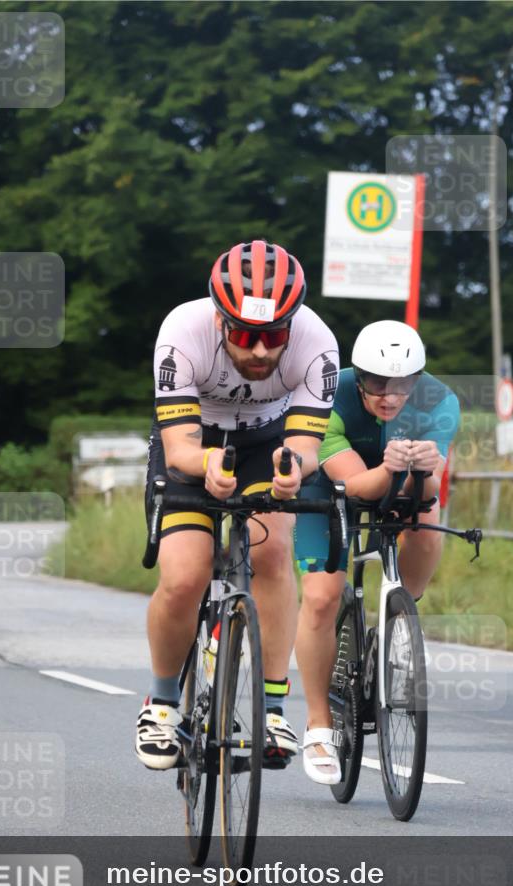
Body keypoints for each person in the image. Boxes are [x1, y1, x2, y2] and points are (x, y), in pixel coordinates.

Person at [136, 239, 340, 770]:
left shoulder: (317, 343)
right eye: (245, 335)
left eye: (273, 336)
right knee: (185, 574)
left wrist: (291, 473)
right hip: (193, 441)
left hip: (265, 444)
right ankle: (160, 705)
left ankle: (271, 706)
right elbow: (179, 447)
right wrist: (206, 466)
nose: (259, 351)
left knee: (272, 556)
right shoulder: (183, 331)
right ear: (220, 320)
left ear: (292, 325)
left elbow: (306, 447)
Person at [293, 320, 460, 785]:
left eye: (402, 384)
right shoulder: (326, 394)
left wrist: (422, 472)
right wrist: (393, 468)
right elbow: (356, 486)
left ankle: (401, 621)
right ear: (358, 374)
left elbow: (425, 492)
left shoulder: (440, 401)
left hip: (402, 480)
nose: (388, 395)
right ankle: (319, 724)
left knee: (426, 525)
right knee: (323, 598)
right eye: (376, 383)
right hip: (329, 488)